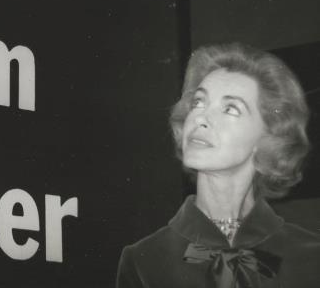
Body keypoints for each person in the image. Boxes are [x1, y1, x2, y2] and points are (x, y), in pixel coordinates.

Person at [116, 43, 320, 288]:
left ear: (268, 136)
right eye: (199, 102)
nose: (200, 117)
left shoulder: (312, 258)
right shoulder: (143, 261)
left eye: (230, 108)